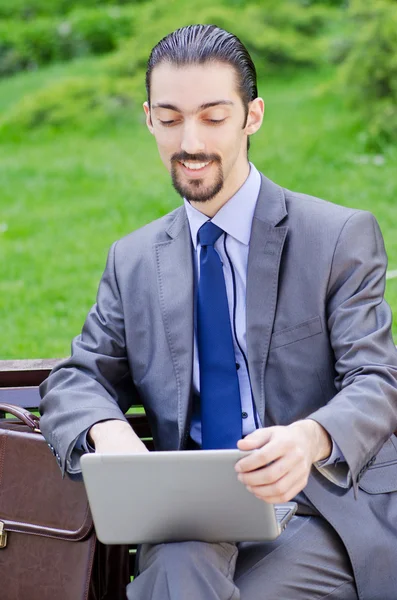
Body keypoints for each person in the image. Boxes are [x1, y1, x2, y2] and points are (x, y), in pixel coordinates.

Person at [39, 24, 397, 600]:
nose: (191, 141)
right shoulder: (133, 261)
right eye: (171, 117)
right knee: (180, 560)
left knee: (182, 581)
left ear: (252, 117)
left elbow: (377, 379)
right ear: (149, 119)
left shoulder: (336, 237)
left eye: (213, 116)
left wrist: (309, 439)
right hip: (191, 515)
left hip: (319, 508)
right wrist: (107, 433)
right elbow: (78, 377)